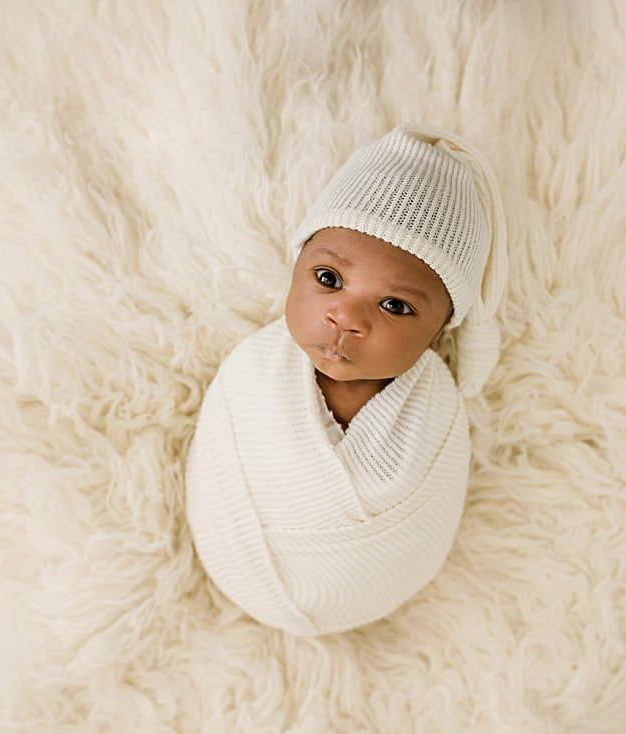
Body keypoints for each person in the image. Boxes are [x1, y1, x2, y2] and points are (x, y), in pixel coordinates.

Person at [185, 124, 507, 636]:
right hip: (236, 554)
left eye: (395, 306)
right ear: (296, 267)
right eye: (329, 279)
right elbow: (223, 447)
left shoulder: (436, 414)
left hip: (369, 584)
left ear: (437, 338)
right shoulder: (253, 369)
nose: (347, 318)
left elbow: (431, 506)